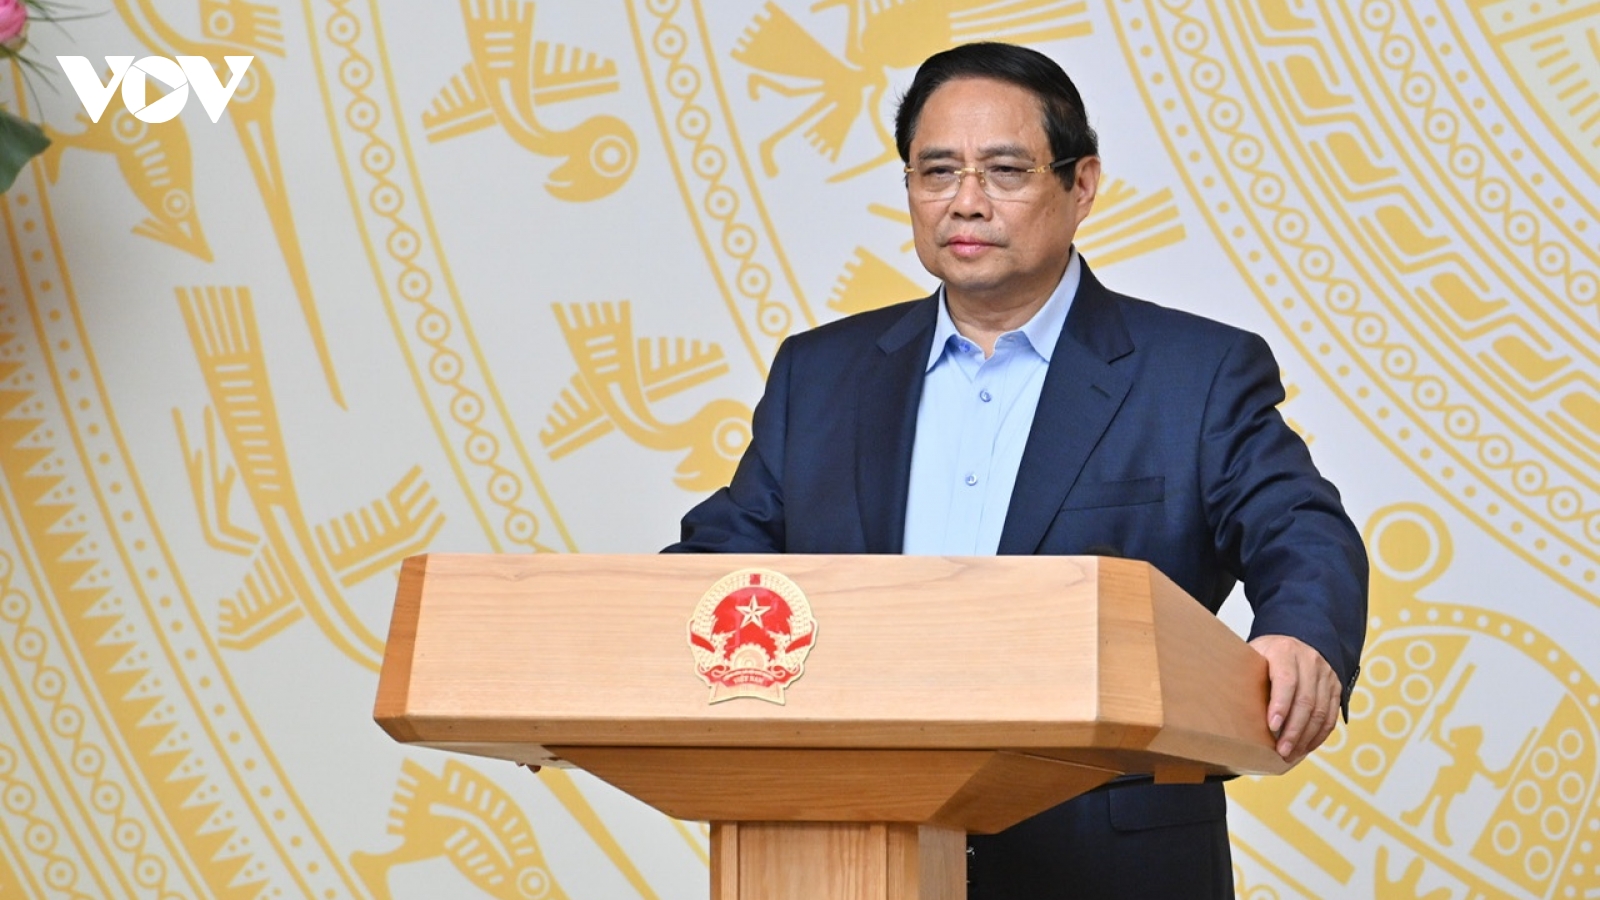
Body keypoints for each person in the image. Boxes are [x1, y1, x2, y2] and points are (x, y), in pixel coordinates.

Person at [665, 41, 1367, 900]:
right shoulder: (820, 375)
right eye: (937, 172)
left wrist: (1303, 636)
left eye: (1004, 170)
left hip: (1106, 863)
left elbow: (1301, 529)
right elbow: (718, 566)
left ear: (1082, 185)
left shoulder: (1195, 373)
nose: (966, 202)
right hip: (847, 847)